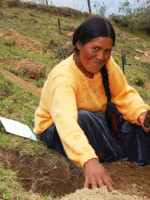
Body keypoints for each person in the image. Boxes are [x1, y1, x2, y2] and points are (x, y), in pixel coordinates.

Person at [34, 17, 150, 191]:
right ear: (79, 45)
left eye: (107, 51)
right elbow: (67, 123)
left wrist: (141, 114)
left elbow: (124, 94)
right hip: (58, 129)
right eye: (95, 49)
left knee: (136, 120)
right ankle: (121, 159)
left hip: (97, 119)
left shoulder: (107, 64)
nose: (101, 57)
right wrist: (89, 160)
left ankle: (136, 156)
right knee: (84, 119)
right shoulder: (63, 78)